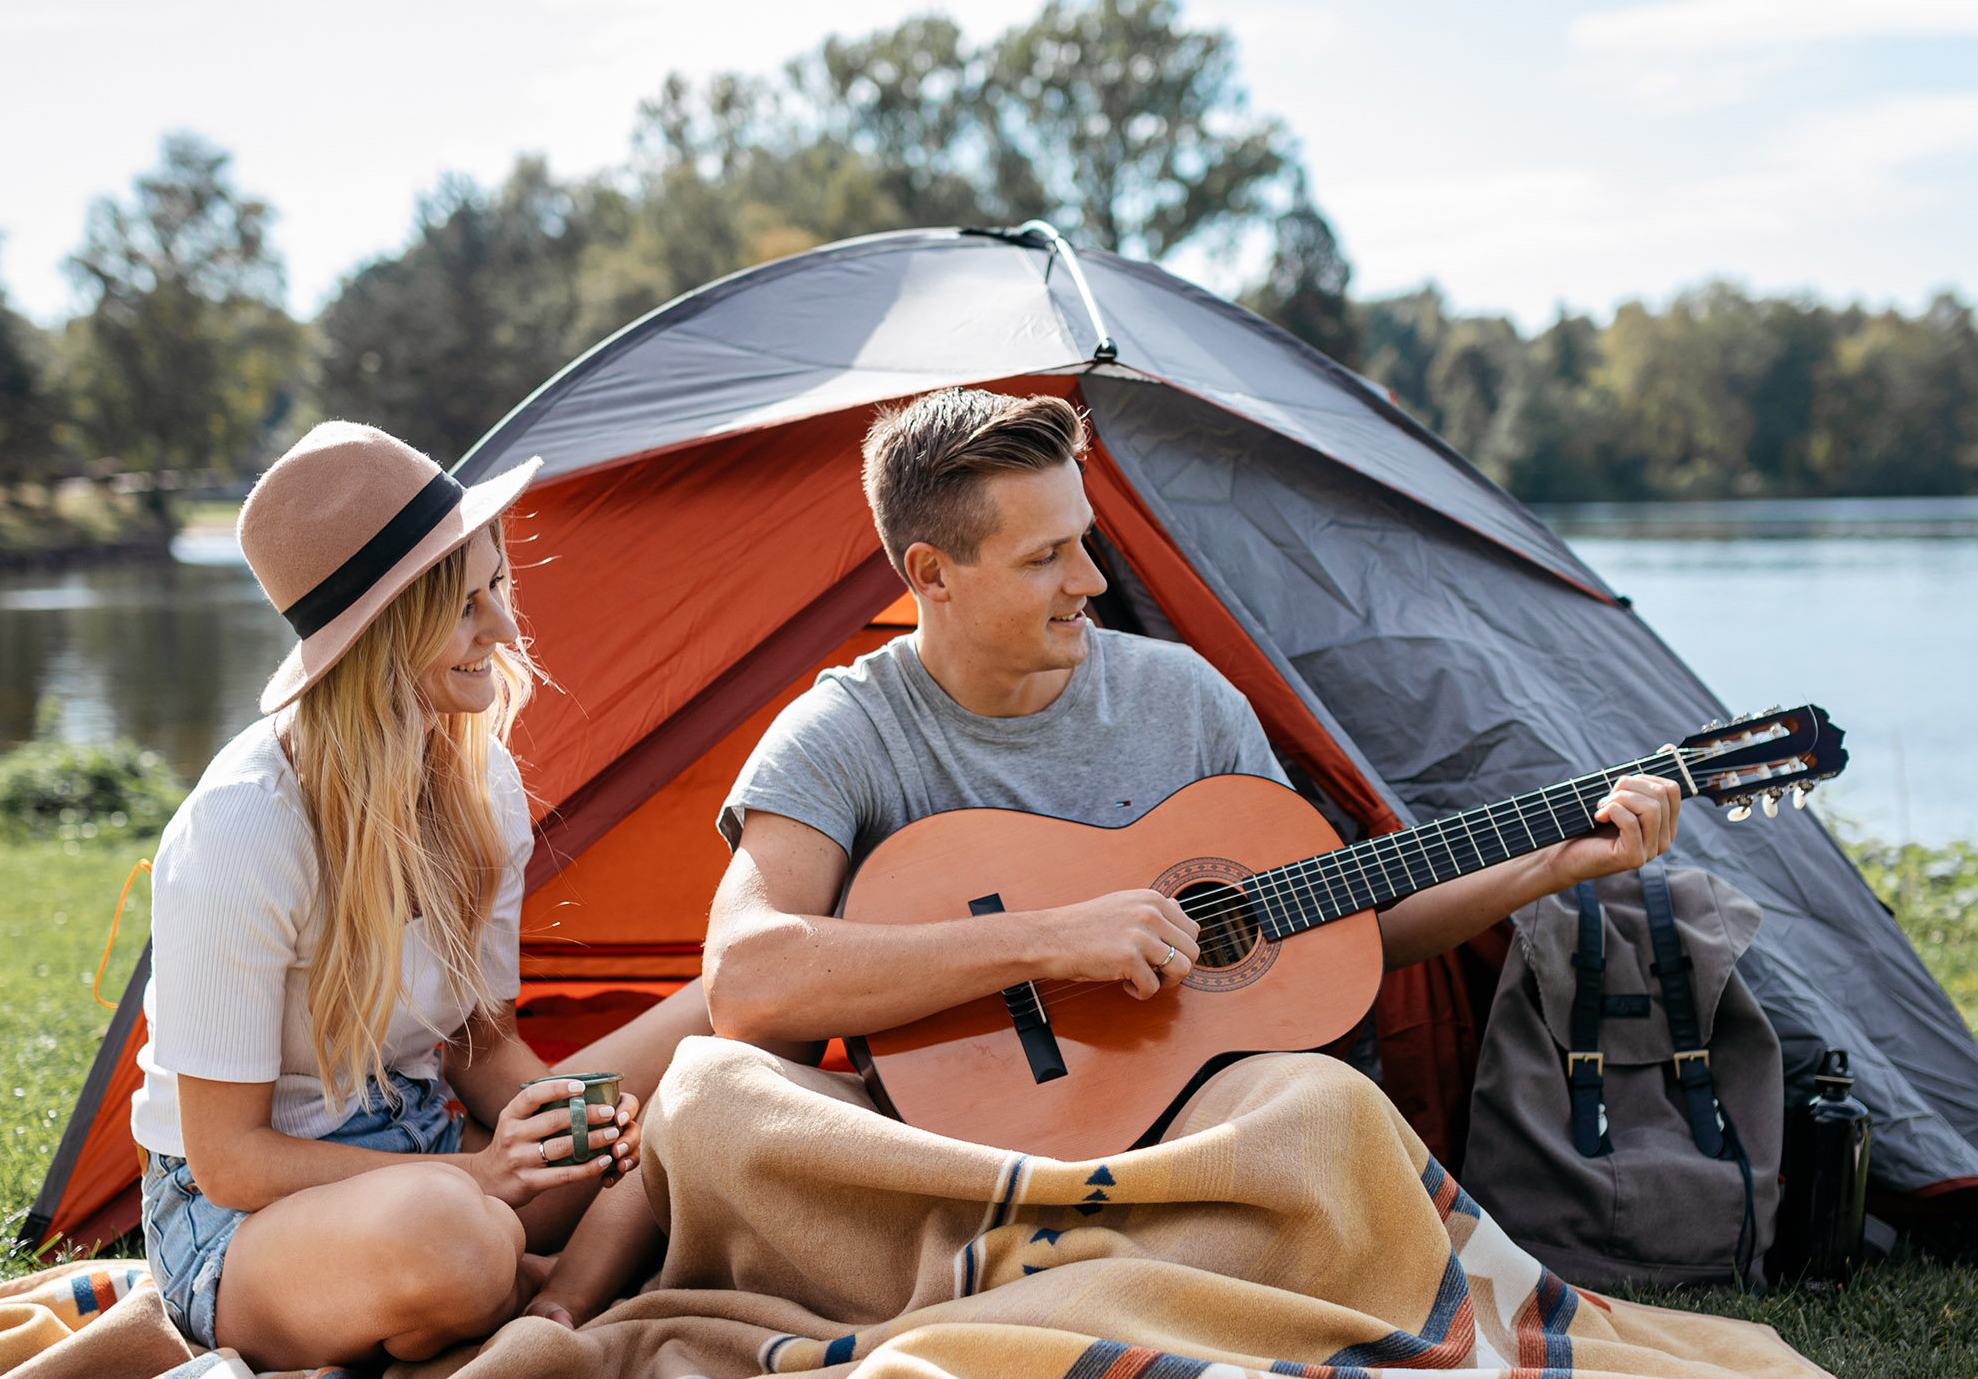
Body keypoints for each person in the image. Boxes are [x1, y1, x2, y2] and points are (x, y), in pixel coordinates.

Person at [701, 387, 1684, 1067]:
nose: (1090, 583)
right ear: (930, 575)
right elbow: (746, 978)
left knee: (1313, 1097)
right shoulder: (841, 729)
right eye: (1047, 557)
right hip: (942, 1130)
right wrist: (1051, 942)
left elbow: (1347, 916)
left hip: (1184, 1108)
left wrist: (1554, 862)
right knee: (714, 1098)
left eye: (1086, 540)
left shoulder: (1185, 695)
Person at [133, 421, 696, 1371]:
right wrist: (477, 1175)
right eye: (466, 606)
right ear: (384, 628)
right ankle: (557, 1271)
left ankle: (554, 1287)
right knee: (454, 1239)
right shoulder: (244, 827)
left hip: (434, 1145)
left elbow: (479, 1043)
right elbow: (231, 1159)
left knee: (725, 1017)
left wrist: (575, 1122)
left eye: (498, 588)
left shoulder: (482, 785)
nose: (507, 632)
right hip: (246, 1219)